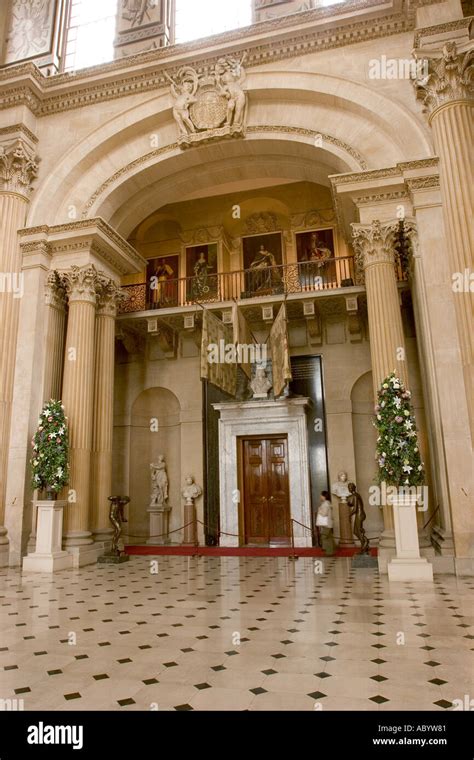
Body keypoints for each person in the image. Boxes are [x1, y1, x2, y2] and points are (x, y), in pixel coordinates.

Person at [316, 490, 335, 556]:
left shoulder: (325, 504)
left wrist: (319, 510)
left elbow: (324, 514)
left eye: (321, 495)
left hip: (326, 523)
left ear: (324, 496)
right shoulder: (328, 503)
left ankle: (328, 552)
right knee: (329, 537)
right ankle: (331, 551)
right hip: (329, 523)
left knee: (324, 537)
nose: (320, 497)